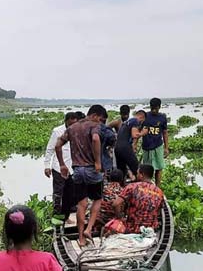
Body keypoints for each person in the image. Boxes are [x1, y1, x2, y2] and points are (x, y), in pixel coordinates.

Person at [56, 105, 105, 247]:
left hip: (77, 171)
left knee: (81, 205)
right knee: (97, 199)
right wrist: (97, 161)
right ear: (95, 115)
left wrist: (62, 165)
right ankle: (89, 229)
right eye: (100, 119)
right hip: (91, 170)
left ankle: (81, 239)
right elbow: (95, 139)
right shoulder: (94, 126)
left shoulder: (72, 128)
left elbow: (58, 144)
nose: (100, 122)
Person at [112, 164, 165, 234]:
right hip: (151, 228)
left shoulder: (132, 186)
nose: (136, 175)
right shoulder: (160, 192)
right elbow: (158, 211)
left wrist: (120, 218)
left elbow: (115, 204)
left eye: (137, 173)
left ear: (142, 174)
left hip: (132, 227)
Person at [43, 112, 78, 216]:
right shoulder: (57, 131)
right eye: (71, 123)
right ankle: (56, 214)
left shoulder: (76, 131)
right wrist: (46, 166)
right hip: (58, 167)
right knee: (58, 193)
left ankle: (67, 215)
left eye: (75, 124)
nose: (73, 126)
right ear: (66, 121)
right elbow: (50, 149)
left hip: (72, 168)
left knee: (70, 193)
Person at [140, 97, 169, 186]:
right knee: (146, 169)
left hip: (158, 146)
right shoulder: (145, 117)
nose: (154, 110)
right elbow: (138, 130)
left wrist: (166, 148)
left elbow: (164, 132)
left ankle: (158, 187)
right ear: (150, 106)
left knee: (159, 167)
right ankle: (146, 186)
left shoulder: (162, 118)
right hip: (147, 146)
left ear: (159, 107)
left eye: (156, 108)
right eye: (152, 108)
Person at [115, 110, 145, 180]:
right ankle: (140, 187)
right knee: (137, 169)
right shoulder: (135, 120)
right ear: (142, 117)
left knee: (121, 170)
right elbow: (134, 135)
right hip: (125, 147)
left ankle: (120, 187)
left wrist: (134, 145)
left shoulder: (126, 122)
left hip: (117, 147)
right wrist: (142, 133)